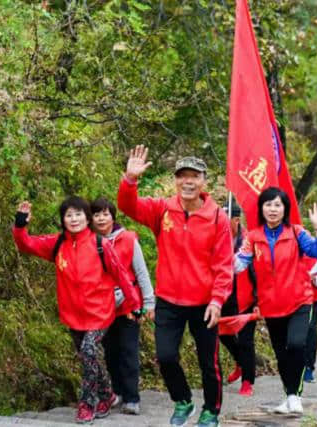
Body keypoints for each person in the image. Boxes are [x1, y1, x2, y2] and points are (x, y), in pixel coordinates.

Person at [117, 145, 233, 427]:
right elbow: (128, 206)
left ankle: (211, 411)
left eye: (194, 176)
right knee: (166, 357)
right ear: (176, 180)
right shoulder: (162, 209)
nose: (188, 181)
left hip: (204, 303)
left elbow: (224, 265)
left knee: (209, 363)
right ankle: (182, 400)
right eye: (182, 176)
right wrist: (130, 180)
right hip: (168, 300)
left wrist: (218, 300)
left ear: (203, 180)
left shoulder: (218, 218)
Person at [12, 196, 140, 424]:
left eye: (79, 214)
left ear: (87, 218)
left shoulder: (101, 244)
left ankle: (87, 403)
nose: (74, 219)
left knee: (90, 351)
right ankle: (108, 394)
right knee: (87, 357)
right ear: (63, 220)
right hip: (72, 314)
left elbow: (121, 275)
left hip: (100, 312)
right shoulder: (57, 244)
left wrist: (133, 306)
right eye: (69, 215)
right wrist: (21, 225)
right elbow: (26, 244)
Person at [234, 187, 317, 415]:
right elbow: (239, 264)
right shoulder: (253, 237)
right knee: (281, 354)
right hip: (271, 306)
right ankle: (289, 395)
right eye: (268, 204)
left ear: (285, 208)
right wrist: (219, 256)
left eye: (278, 205)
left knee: (296, 345)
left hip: (299, 301)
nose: (273, 209)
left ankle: (294, 396)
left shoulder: (297, 233)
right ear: (261, 208)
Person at [90, 197, 155, 415]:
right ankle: (116, 392)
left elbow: (141, 272)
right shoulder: (89, 241)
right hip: (103, 307)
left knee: (128, 350)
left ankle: (132, 397)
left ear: (113, 216)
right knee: (110, 352)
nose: (101, 218)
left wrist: (148, 302)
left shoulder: (127, 239)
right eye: (97, 214)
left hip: (129, 305)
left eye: (105, 214)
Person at [220, 199, 257, 397]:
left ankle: (247, 381)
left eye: (225, 220)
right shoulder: (217, 238)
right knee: (222, 333)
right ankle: (241, 362)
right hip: (224, 296)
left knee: (246, 340)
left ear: (236, 220)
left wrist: (259, 300)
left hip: (247, 298)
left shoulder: (249, 241)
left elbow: (260, 273)